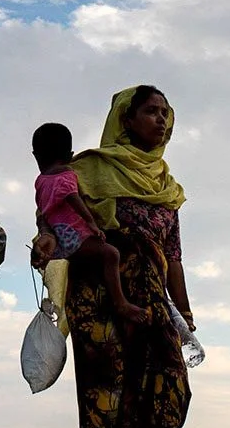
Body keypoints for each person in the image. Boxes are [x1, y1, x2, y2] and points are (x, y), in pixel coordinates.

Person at [63, 85, 195, 428]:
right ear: (127, 118)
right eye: (151, 112)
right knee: (107, 386)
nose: (161, 120)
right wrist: (47, 242)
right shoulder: (90, 170)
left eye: (165, 113)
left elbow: (172, 256)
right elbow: (56, 214)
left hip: (152, 302)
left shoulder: (166, 186)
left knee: (168, 387)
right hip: (100, 293)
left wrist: (185, 311)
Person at [31, 122, 147, 324]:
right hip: (74, 234)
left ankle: (62, 287)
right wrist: (91, 223)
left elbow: (42, 210)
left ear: (36, 155)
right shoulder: (66, 174)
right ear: (71, 154)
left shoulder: (40, 181)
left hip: (59, 236)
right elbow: (73, 198)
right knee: (111, 254)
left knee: (82, 265)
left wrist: (46, 234)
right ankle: (120, 302)